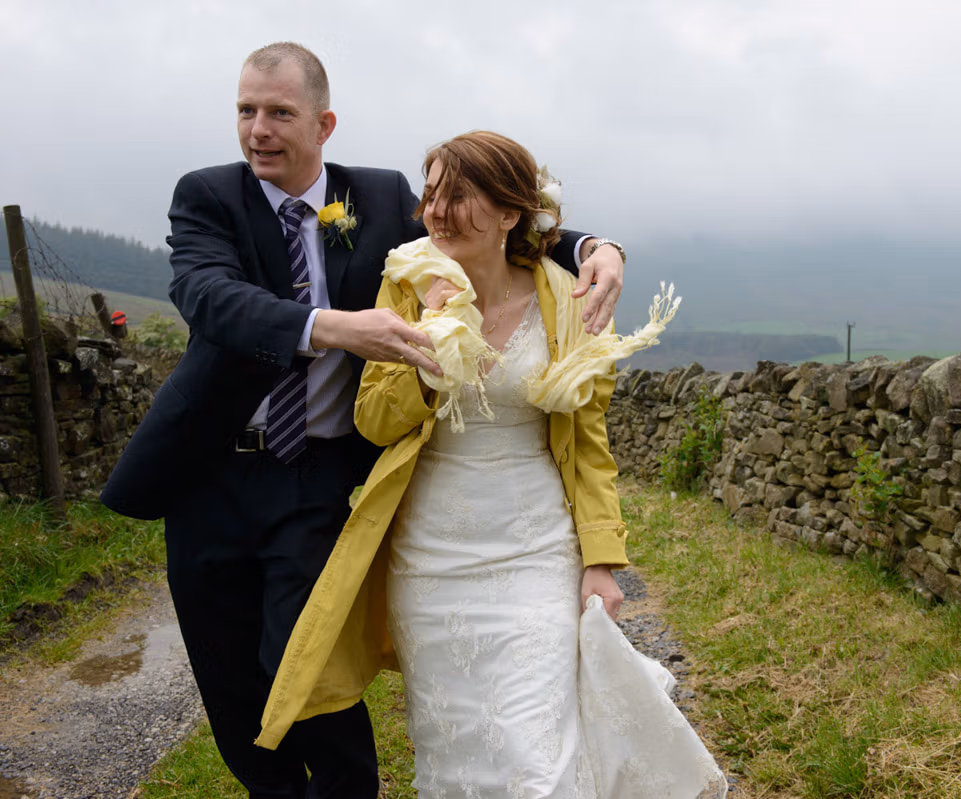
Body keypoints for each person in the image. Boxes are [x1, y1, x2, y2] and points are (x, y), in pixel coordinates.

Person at [100, 44, 626, 799]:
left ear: (324, 122)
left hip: (318, 475)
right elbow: (210, 298)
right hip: (208, 474)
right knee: (229, 684)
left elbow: (483, 223)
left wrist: (596, 246)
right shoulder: (208, 196)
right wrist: (333, 327)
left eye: (279, 112)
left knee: (311, 668)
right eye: (245, 110)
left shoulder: (377, 198)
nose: (258, 129)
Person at [257, 131, 726, 798]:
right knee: (461, 755)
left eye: (458, 195)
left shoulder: (565, 297)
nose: (438, 211)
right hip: (432, 563)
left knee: (535, 759)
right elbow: (374, 419)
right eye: (432, 195)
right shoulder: (406, 283)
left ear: (509, 213)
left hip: (536, 549)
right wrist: (431, 342)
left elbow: (589, 443)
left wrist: (601, 558)